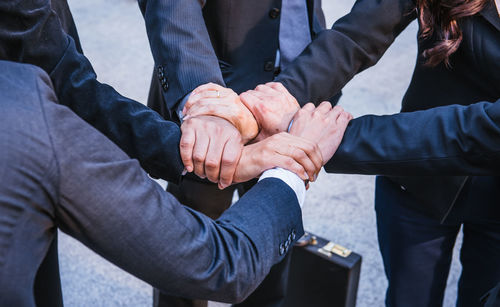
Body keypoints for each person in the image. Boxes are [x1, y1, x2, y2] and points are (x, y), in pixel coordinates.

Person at [0, 0, 350, 305]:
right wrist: (291, 169)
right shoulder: (28, 116)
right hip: (210, 114)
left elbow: (64, 80)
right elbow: (218, 263)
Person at [186, 0, 500, 305]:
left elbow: (478, 130)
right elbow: (358, 34)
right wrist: (282, 97)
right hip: (416, 183)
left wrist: (318, 137)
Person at [138, 0, 340, 305]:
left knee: (273, 238)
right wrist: (207, 101)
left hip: (294, 98)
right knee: (190, 253)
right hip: (219, 102)